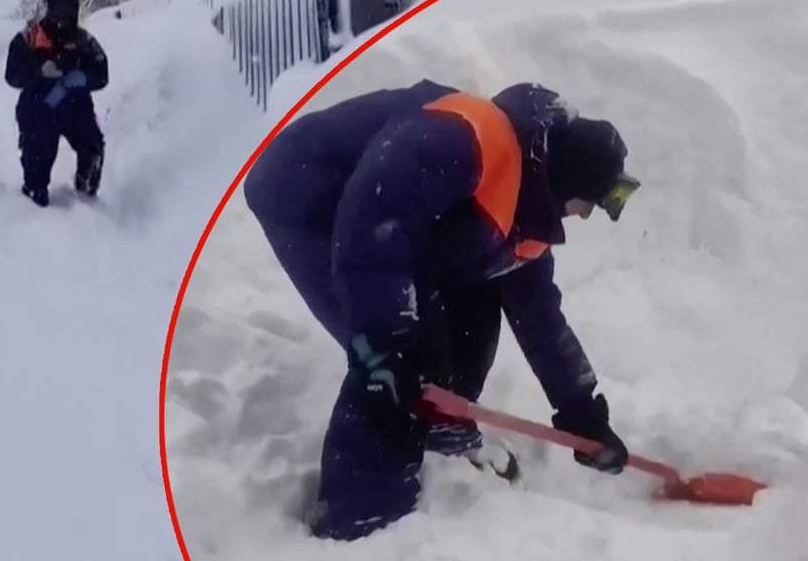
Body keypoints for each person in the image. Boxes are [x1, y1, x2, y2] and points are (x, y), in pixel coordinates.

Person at [242, 80, 641, 541]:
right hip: (308, 195)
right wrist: (386, 347)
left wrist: (580, 410)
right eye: (589, 203)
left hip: (384, 228)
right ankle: (360, 514)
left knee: (473, 303)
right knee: (390, 365)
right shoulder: (466, 137)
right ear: (570, 181)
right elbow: (375, 222)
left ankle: (439, 427)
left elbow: (540, 318)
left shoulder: (528, 206)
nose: (587, 216)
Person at [4, 0, 109, 207]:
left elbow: (102, 73)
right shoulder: (30, 37)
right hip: (37, 107)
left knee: (93, 148)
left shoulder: (84, 40)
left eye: (68, 11)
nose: (62, 17)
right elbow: (11, 74)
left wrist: (82, 77)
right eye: (57, 10)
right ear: (48, 9)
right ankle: (33, 200)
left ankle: (87, 197)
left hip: (75, 106)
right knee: (37, 158)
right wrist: (38, 72)